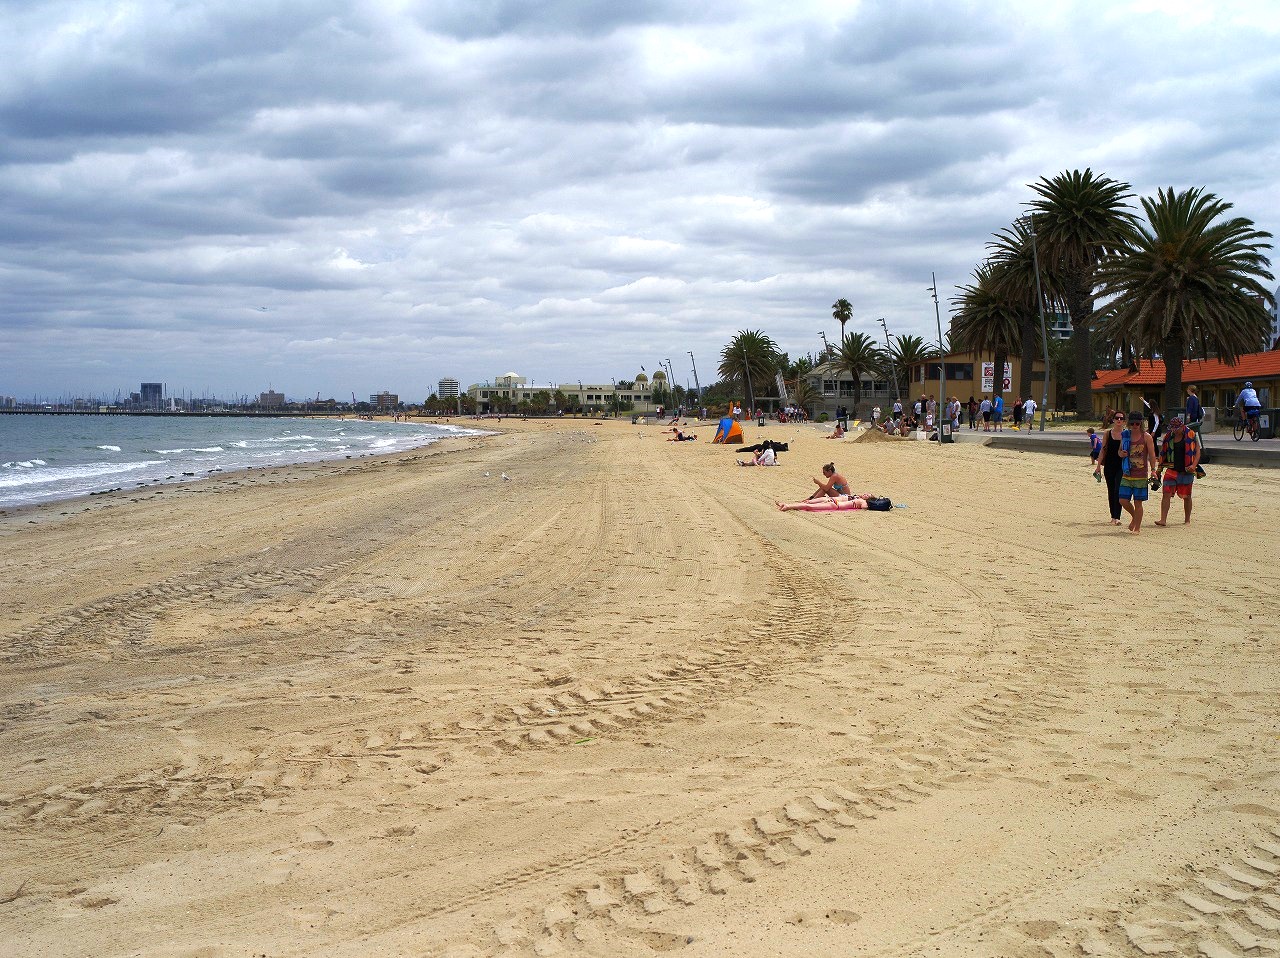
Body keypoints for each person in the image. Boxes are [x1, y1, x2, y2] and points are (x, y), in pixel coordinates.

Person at [1155, 415, 1200, 526]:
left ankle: (1187, 519)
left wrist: (1194, 465)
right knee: (1166, 493)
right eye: (1172, 428)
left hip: (1186, 470)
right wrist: (1159, 470)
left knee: (1187, 496)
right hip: (1171, 469)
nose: (1174, 430)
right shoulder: (1168, 436)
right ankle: (1163, 519)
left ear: (1182, 426)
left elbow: (1198, 451)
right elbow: (1163, 453)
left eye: (1176, 428)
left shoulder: (1191, 434)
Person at [1117, 411, 1157, 534]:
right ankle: (1135, 517)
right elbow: (1119, 451)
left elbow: (1152, 455)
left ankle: (1137, 528)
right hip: (1127, 472)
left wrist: (1153, 470)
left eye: (1137, 423)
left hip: (1141, 475)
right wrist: (1121, 454)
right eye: (1132, 423)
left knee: (1138, 502)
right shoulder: (1125, 435)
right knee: (1122, 500)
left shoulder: (1147, 437)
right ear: (1129, 423)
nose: (1135, 425)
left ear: (1141, 423)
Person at [1094, 410, 1127, 525]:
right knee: (1111, 490)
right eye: (1117, 418)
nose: (1119, 420)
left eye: (1121, 418)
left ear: (1124, 421)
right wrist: (1098, 466)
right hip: (1109, 465)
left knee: (1118, 490)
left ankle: (1117, 517)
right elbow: (1103, 450)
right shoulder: (1107, 433)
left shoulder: (1126, 434)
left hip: (1121, 466)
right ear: (1113, 420)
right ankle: (1113, 516)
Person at [776, 494, 873, 512]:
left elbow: (864, 507)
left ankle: (788, 505)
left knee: (809, 505)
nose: (865, 494)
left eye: (868, 495)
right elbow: (864, 507)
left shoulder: (862, 501)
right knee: (809, 505)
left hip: (834, 502)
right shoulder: (860, 500)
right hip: (835, 504)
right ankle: (787, 506)